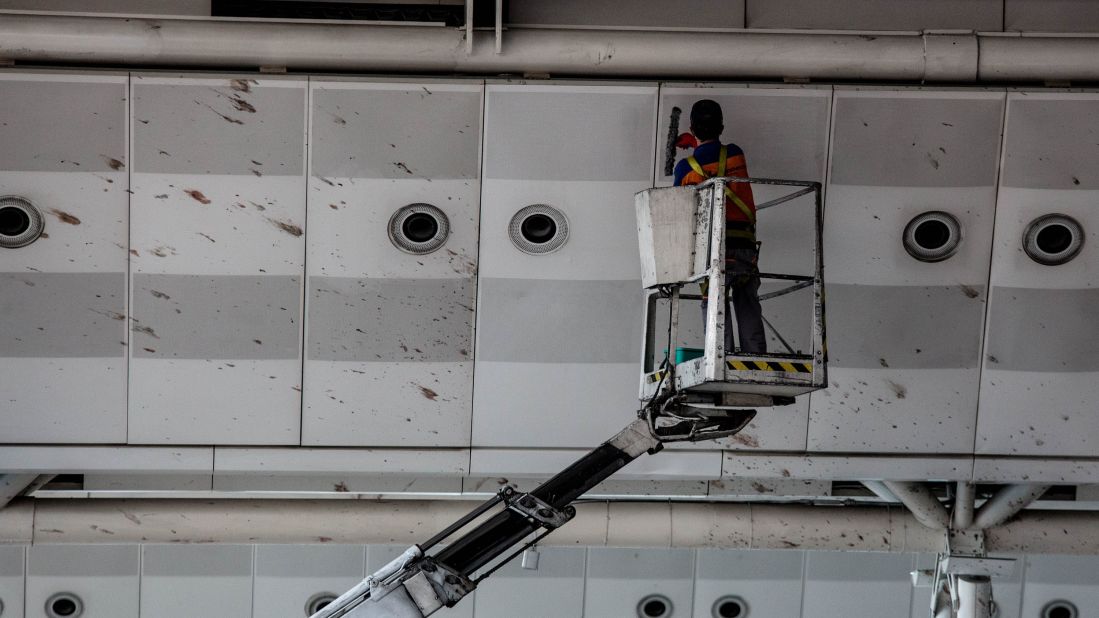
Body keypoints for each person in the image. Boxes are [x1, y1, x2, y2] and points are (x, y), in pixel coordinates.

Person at [672, 99, 766, 354]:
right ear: (722, 126)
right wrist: (696, 141)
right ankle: (756, 356)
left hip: (711, 251)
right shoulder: (735, 153)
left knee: (713, 300)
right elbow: (714, 154)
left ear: (692, 128)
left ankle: (719, 355)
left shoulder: (683, 169)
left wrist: (690, 147)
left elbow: (681, 210)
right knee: (746, 301)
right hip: (743, 246)